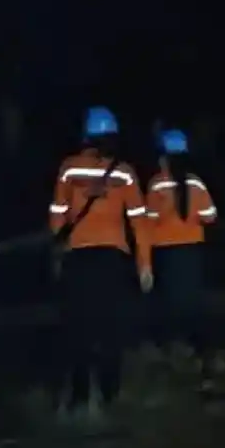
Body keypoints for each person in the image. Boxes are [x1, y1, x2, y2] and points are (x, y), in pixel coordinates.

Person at [48, 105, 154, 424]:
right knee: (112, 330)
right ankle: (109, 398)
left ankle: (79, 399)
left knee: (78, 329)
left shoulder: (69, 169)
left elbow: (56, 219)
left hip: (78, 259)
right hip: (114, 260)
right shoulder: (125, 173)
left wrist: (61, 246)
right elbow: (140, 225)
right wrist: (144, 265)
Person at [145, 128, 219, 377]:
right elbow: (210, 216)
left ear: (163, 156)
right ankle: (205, 355)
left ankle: (171, 354)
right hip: (192, 251)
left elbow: (149, 220)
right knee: (193, 302)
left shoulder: (157, 184)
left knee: (168, 303)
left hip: (165, 253)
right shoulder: (196, 182)